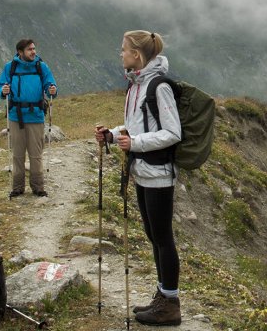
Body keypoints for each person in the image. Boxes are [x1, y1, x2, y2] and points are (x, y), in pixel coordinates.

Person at [95, 30, 183, 326]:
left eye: (124, 50)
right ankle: (163, 296)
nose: (120, 54)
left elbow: (173, 133)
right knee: (153, 236)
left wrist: (135, 143)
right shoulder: (136, 85)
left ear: (137, 54)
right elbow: (136, 126)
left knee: (163, 238)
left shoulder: (158, 87)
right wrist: (112, 135)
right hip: (142, 171)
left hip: (158, 173)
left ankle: (170, 304)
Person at [0, 38, 58, 198]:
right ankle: (17, 187)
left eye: (34, 49)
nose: (34, 52)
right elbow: (0, 87)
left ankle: (38, 187)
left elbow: (50, 83)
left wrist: (52, 89)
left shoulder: (41, 66)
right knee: (17, 153)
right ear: (20, 52)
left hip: (36, 116)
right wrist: (3, 90)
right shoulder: (10, 67)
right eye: (30, 49)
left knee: (36, 153)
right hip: (16, 117)